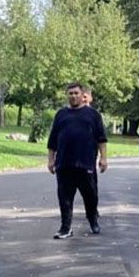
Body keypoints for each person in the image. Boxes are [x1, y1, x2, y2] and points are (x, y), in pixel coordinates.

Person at [47, 82, 108, 239]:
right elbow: (53, 140)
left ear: (82, 95)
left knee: (91, 196)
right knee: (65, 198)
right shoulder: (61, 114)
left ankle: (93, 219)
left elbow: (101, 139)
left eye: (76, 93)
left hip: (85, 163)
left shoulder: (93, 115)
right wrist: (50, 160)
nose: (73, 96)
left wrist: (103, 158)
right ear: (67, 95)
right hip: (64, 164)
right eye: (70, 93)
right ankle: (65, 228)